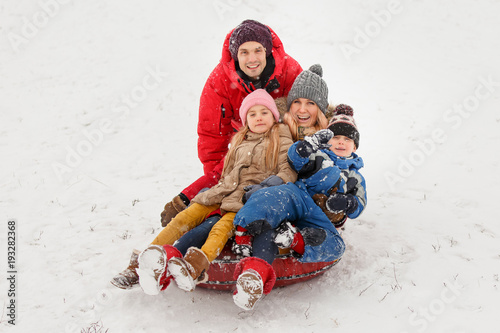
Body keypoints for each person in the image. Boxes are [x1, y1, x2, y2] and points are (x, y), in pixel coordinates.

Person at [112, 89, 297, 295]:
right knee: (183, 219)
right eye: (252, 114)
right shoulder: (239, 140)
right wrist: (209, 192)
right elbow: (225, 172)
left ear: (274, 115)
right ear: (245, 120)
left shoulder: (281, 137)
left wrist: (266, 188)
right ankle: (147, 259)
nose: (259, 118)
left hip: (247, 200)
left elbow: (288, 170)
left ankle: (196, 265)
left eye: (264, 112)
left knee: (221, 229)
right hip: (221, 193)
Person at [231, 70, 367, 311]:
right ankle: (244, 229)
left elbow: (360, 203)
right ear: (327, 139)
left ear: (355, 146)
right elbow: (295, 160)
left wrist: (347, 204)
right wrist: (306, 147)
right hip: (300, 196)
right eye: (337, 138)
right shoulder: (320, 153)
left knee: (337, 247)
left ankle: (293, 239)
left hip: (319, 216)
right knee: (274, 195)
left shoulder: (355, 175)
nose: (341, 143)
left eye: (348, 140)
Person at [160, 19, 303, 227]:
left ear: (268, 51)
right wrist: (222, 182)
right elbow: (212, 136)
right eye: (244, 52)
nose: (252, 59)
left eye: (258, 50)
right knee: (232, 169)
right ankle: (187, 203)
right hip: (248, 138)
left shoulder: (289, 70)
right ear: (236, 54)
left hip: (283, 140)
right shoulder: (219, 82)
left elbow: (306, 116)